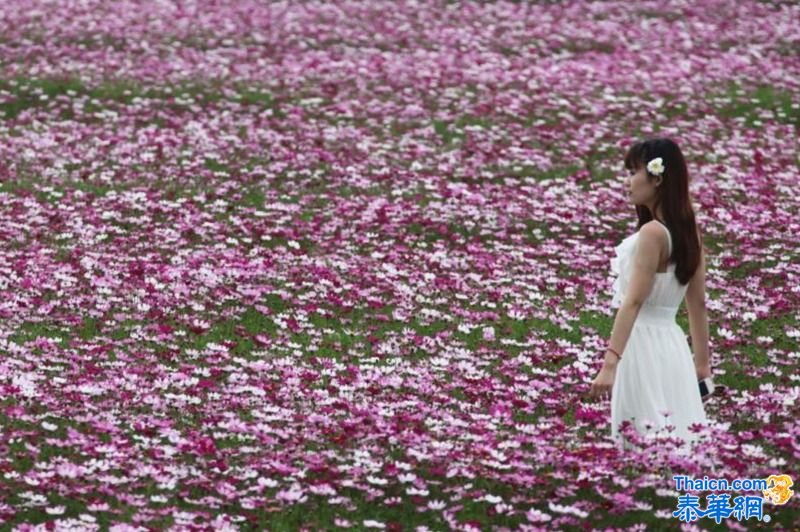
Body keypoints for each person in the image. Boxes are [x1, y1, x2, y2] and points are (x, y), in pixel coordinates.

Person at [588, 137, 711, 450]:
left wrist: (609, 364)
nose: (628, 182)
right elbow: (697, 304)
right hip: (672, 347)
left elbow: (633, 301)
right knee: (675, 436)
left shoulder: (653, 233)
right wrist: (701, 365)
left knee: (640, 438)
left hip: (640, 344)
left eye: (633, 172)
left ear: (657, 178)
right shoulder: (688, 230)